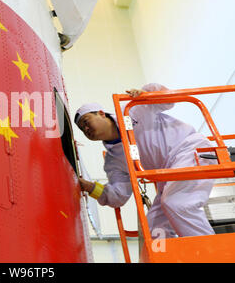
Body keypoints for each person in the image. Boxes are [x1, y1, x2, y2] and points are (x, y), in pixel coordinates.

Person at [75, 83, 215, 238]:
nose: (86, 129)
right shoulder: (113, 160)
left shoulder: (132, 109)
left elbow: (169, 100)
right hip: (168, 177)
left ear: (101, 113)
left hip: (190, 151)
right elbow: (117, 195)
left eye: (86, 122)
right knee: (154, 229)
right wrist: (90, 187)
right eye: (82, 129)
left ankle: (213, 255)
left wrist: (147, 93)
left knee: (178, 203)